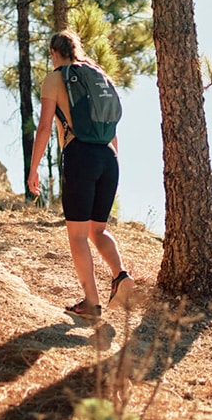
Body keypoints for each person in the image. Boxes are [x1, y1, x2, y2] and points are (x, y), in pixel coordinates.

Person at [27, 30, 133, 320]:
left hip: (80, 156)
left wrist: (34, 167)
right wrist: (112, 164)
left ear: (54, 52)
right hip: (108, 158)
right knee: (98, 230)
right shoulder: (97, 75)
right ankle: (120, 275)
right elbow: (111, 130)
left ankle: (91, 303)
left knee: (77, 236)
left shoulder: (56, 77)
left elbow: (45, 127)